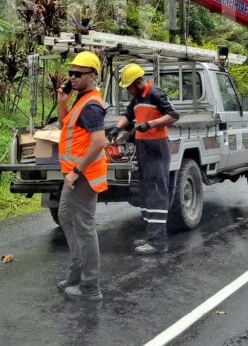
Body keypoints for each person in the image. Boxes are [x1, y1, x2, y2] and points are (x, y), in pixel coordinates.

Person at [56, 51, 108, 301]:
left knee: (85, 228)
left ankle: (90, 287)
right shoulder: (80, 99)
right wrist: (62, 101)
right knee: (65, 216)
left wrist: (76, 172)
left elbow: (99, 142)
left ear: (92, 75)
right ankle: (77, 273)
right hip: (74, 175)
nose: (72, 78)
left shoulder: (91, 105)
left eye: (78, 74)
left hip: (83, 176)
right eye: (71, 73)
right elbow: (65, 127)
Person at [113, 63, 179, 254]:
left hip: (157, 148)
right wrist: (117, 128)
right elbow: (127, 115)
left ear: (137, 82)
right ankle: (152, 236)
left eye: (128, 87)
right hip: (143, 149)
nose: (127, 91)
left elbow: (173, 115)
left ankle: (158, 242)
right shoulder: (137, 98)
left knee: (157, 193)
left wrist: (150, 124)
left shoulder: (155, 94)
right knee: (147, 192)